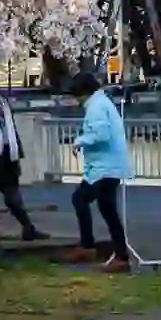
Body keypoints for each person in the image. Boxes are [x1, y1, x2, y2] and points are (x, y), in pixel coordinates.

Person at [65, 71, 133, 271]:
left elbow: (100, 134)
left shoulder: (96, 106)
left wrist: (79, 142)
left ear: (83, 93)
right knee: (96, 205)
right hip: (106, 167)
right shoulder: (102, 103)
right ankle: (102, 250)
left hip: (105, 168)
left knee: (89, 202)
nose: (76, 100)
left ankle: (112, 254)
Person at [0, 91, 47, 241]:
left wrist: (18, 151)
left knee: (12, 194)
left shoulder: (3, 102)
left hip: (7, 152)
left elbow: (11, 127)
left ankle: (28, 227)